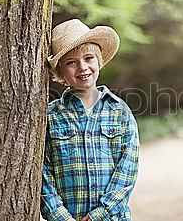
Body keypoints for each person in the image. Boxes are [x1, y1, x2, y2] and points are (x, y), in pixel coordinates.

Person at [41, 19, 140, 221]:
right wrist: (61, 217)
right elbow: (42, 172)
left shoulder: (119, 111)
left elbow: (128, 168)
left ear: (99, 61)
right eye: (71, 62)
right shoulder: (50, 116)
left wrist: (102, 212)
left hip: (112, 217)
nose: (82, 67)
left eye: (88, 58)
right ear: (59, 71)